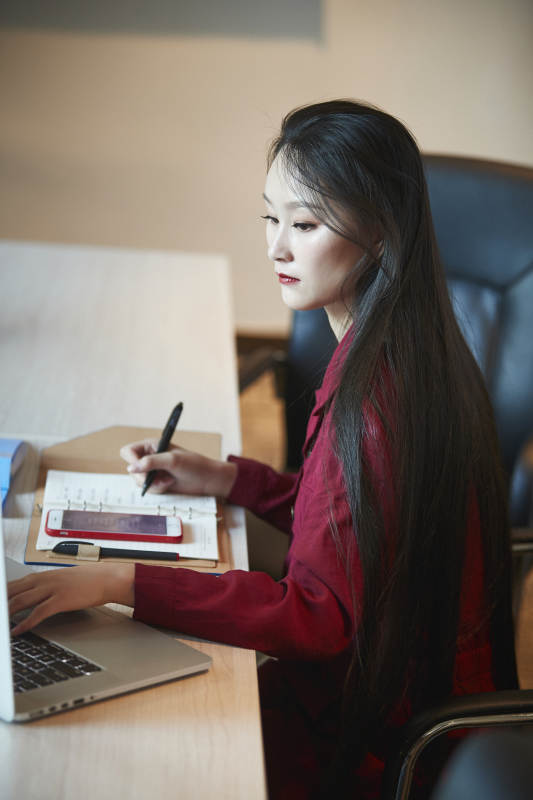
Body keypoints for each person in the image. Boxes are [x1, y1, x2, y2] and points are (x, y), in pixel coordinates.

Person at [8, 100, 517, 799]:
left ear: (378, 232)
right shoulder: (407, 345)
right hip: (382, 686)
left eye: (304, 225)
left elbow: (317, 619)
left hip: (359, 736)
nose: (275, 247)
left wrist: (117, 582)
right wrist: (229, 481)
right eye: (270, 217)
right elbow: (354, 523)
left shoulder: (373, 406)